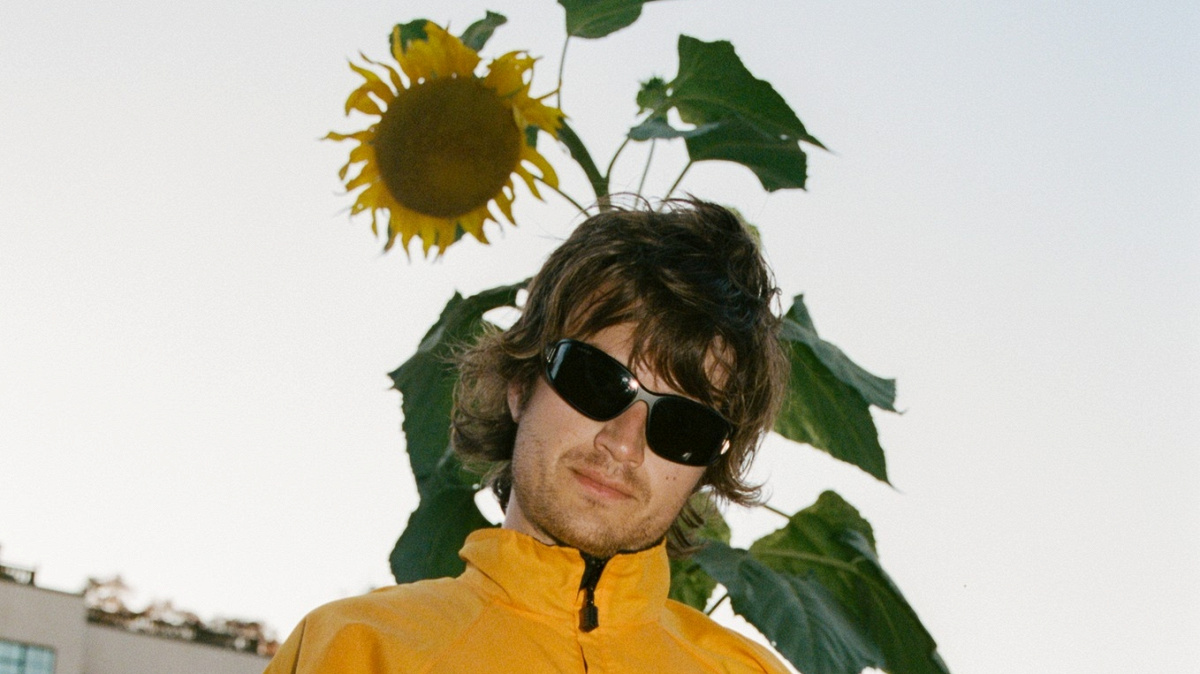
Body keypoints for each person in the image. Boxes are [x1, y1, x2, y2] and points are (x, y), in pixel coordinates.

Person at [265, 198, 792, 673]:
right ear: (521, 384)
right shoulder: (354, 652)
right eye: (596, 380)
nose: (624, 444)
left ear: (709, 465)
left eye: (684, 426)